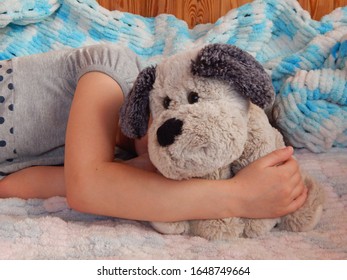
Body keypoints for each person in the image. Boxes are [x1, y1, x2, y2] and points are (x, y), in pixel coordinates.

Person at [0, 44, 307, 222]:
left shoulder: (114, 159)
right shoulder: (111, 71)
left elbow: (14, 185)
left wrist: (133, 172)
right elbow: (87, 190)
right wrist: (238, 197)